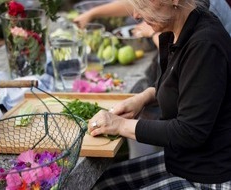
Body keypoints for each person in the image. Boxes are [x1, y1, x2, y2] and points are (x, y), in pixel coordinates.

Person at [87, 0, 231, 189]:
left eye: (143, 5)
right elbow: (182, 83)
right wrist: (143, 97)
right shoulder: (180, 27)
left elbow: (189, 132)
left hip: (209, 177)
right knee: (99, 184)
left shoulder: (204, 44)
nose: (136, 15)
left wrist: (120, 125)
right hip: (184, 162)